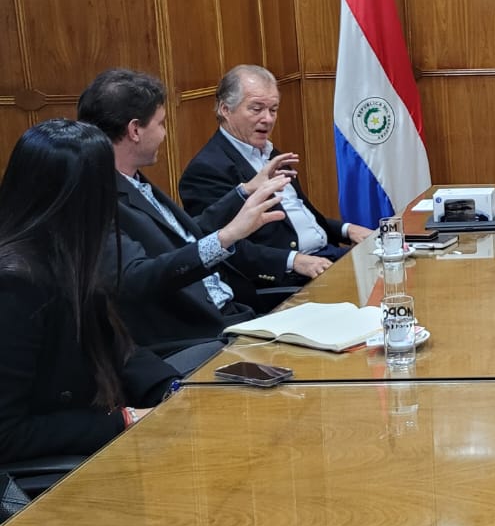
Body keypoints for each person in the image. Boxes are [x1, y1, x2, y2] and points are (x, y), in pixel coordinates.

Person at [77, 68, 290, 371]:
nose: (165, 133)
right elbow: (137, 278)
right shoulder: (99, 198)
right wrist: (226, 237)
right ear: (135, 130)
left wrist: (243, 192)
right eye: (161, 123)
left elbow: (187, 237)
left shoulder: (136, 181)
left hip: (234, 315)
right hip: (196, 339)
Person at [0, 120, 180, 462]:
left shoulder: (67, 249)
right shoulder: (14, 283)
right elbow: (6, 433)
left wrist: (172, 390)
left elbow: (117, 345)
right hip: (48, 476)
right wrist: (123, 420)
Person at [178, 65, 373, 283]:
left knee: (400, 261)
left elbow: (300, 216)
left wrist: (347, 229)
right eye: (256, 109)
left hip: (325, 255)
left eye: (273, 109)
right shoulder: (207, 170)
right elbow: (217, 245)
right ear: (225, 109)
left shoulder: (270, 153)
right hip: (284, 276)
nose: (268, 119)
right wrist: (293, 260)